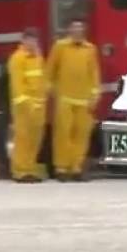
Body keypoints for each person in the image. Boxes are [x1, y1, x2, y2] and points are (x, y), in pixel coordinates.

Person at [45, 19, 100, 181]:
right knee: (63, 134)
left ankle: (76, 168)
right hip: (65, 99)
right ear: (69, 30)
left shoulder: (90, 49)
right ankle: (62, 168)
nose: (78, 31)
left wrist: (95, 94)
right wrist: (50, 89)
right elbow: (50, 69)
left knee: (82, 135)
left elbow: (94, 73)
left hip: (84, 100)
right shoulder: (60, 47)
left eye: (80, 29)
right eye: (74, 28)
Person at [7, 27, 48, 182]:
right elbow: (18, 85)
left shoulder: (38, 57)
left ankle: (30, 169)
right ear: (23, 40)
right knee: (23, 138)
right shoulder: (17, 58)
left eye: (34, 40)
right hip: (23, 106)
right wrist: (27, 103)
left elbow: (42, 80)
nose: (32, 43)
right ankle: (20, 171)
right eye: (29, 40)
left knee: (35, 140)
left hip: (38, 106)